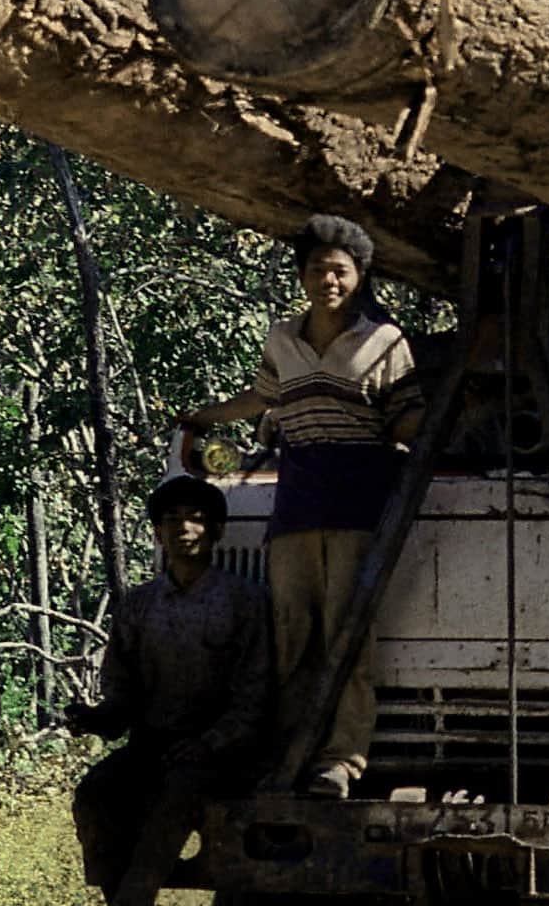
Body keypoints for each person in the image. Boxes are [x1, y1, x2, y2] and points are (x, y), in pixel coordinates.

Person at [180, 215, 421, 799]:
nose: (328, 281)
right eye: (318, 270)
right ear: (303, 276)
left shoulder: (386, 343)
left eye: (339, 271)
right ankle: (293, 754)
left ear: (359, 278)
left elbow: (410, 421)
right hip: (296, 504)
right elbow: (262, 398)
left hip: (359, 505)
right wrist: (202, 418)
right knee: (291, 635)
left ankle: (341, 761)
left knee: (347, 634)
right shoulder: (282, 339)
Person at [67, 474, 271, 906]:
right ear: (157, 532)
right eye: (171, 519)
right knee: (96, 796)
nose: (184, 527)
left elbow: (256, 695)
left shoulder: (245, 601)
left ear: (218, 530)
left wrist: (212, 742)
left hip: (225, 751)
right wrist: (98, 718)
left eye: (196, 517)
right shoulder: (138, 605)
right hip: (153, 743)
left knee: (175, 796)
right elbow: (122, 691)